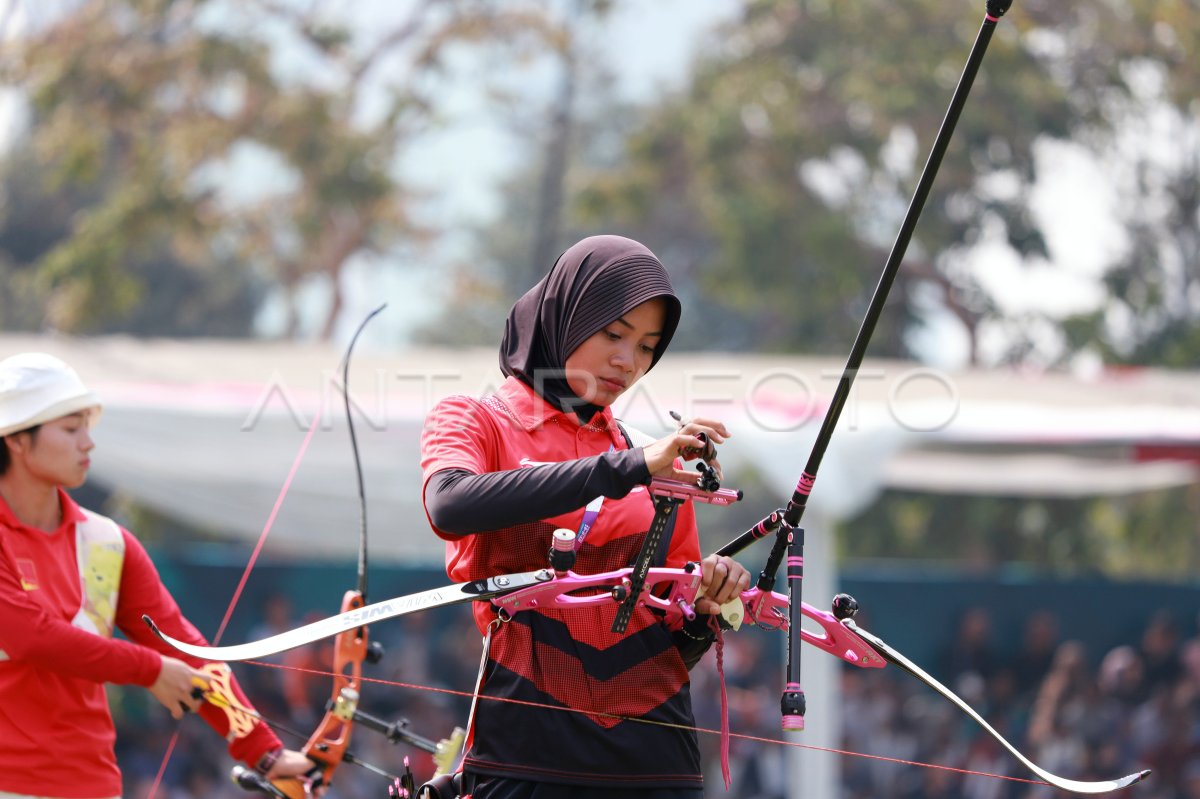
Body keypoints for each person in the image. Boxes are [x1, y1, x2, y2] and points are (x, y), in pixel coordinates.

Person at [420, 234, 752, 798]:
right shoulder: (476, 419)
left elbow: (665, 649)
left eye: (648, 347)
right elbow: (450, 503)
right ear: (564, 319)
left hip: (659, 770)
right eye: (613, 335)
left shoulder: (655, 464)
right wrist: (629, 467)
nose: (629, 361)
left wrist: (705, 606)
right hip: (526, 764)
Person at [0, 352, 313, 799]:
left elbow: (181, 644)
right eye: (71, 429)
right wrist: (149, 669)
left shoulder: (108, 542)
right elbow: (33, 637)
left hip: (93, 786)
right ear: (15, 439)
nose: (88, 443)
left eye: (87, 427)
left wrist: (264, 751)